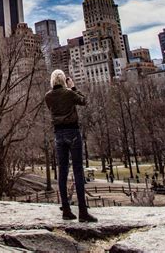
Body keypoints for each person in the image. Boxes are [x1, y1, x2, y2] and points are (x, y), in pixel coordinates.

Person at [45, 70, 97, 222]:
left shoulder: (48, 96)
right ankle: (82, 212)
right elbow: (84, 101)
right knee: (78, 171)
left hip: (58, 135)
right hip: (73, 132)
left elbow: (53, 110)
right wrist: (73, 87)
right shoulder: (69, 93)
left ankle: (66, 210)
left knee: (62, 172)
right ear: (63, 80)